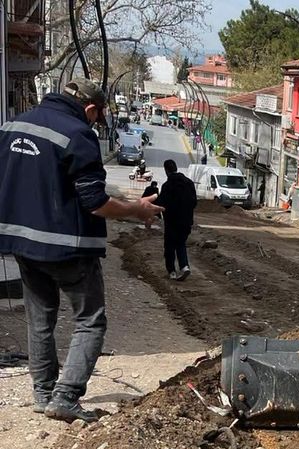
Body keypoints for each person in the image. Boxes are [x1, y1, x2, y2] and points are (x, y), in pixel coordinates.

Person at [0, 78, 163, 423]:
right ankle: (66, 395)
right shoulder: (77, 134)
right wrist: (137, 209)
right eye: (96, 117)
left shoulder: (13, 125)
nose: (94, 124)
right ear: (90, 109)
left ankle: (43, 393)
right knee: (89, 320)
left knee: (39, 318)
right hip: (68, 247)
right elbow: (95, 202)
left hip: (22, 244)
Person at [155, 159, 197, 281]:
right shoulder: (189, 183)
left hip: (171, 222)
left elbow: (161, 204)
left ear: (166, 170)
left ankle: (172, 271)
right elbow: (194, 202)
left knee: (169, 246)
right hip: (186, 221)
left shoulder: (167, 186)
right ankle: (184, 267)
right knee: (181, 243)